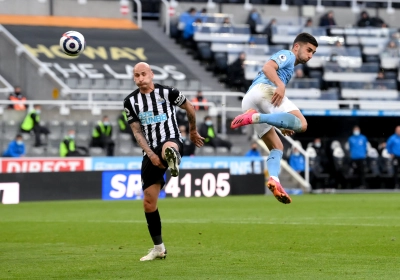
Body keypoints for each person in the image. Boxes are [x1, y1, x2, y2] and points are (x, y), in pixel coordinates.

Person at [123, 62, 204, 261]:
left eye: (143, 74)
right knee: (149, 203)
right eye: (136, 75)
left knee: (169, 146)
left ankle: (172, 159)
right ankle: (159, 248)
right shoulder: (130, 102)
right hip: (149, 152)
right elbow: (136, 131)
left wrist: (192, 131)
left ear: (151, 74)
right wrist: (150, 154)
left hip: (171, 139)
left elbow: (190, 107)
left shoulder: (168, 93)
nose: (140, 78)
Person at [230, 32, 318, 204]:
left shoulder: (291, 64)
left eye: (313, 53)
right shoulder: (288, 55)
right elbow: (267, 67)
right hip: (264, 90)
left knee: (277, 146)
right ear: (297, 46)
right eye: (309, 50)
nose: (310, 56)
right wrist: (280, 85)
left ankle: (274, 179)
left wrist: (281, 121)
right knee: (302, 124)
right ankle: (256, 117)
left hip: (250, 99)